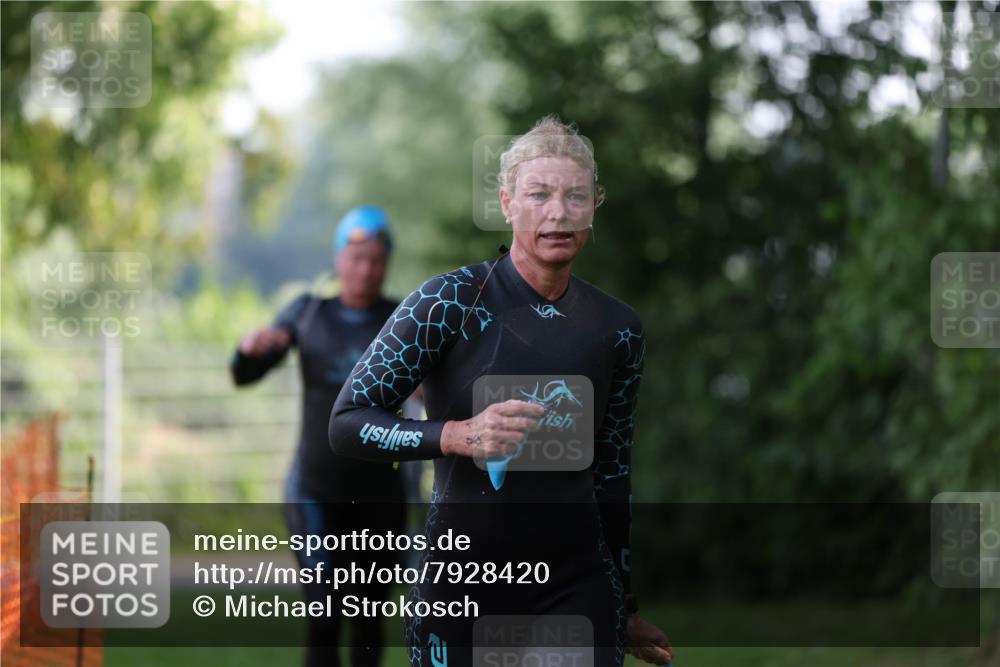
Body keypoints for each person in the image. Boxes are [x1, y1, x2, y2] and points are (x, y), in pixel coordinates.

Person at [328, 117, 673, 666]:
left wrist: (625, 603)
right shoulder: (448, 303)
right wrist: (456, 435)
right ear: (508, 204)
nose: (558, 213)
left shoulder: (618, 328)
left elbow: (612, 470)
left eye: (576, 196)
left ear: (593, 207)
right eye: (539, 195)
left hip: (575, 588)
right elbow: (347, 422)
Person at [231, 205, 406, 667]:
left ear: (386, 262)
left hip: (381, 497)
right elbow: (246, 373)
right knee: (325, 608)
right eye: (356, 258)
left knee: (369, 620)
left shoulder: (404, 319)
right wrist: (249, 350)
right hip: (315, 491)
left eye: (376, 259)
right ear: (338, 259)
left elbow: (439, 388)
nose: (365, 269)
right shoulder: (308, 313)